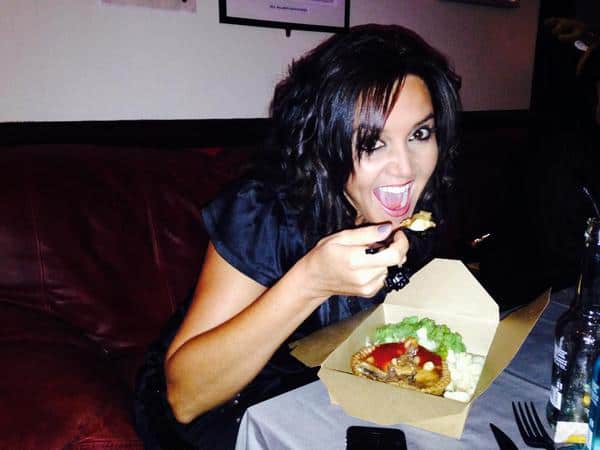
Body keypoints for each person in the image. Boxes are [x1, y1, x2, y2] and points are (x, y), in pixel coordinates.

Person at [133, 23, 461, 449]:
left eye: (420, 134)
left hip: (320, 396)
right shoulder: (267, 211)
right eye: (371, 142)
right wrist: (311, 281)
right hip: (227, 409)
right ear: (325, 141)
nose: (405, 169)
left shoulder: (419, 213)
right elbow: (185, 396)